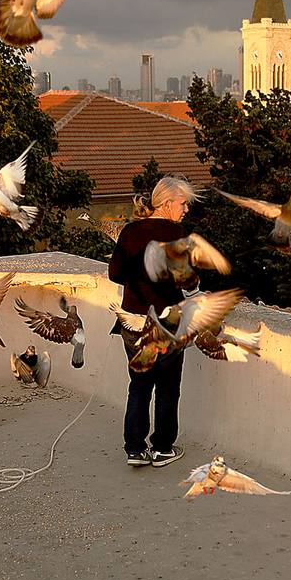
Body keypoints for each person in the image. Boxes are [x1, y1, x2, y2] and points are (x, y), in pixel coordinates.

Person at [107, 176, 200, 469]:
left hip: (132, 322)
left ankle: (134, 449)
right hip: (167, 323)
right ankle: (162, 448)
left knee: (139, 385)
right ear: (169, 203)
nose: (186, 210)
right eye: (183, 204)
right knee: (168, 385)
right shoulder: (176, 233)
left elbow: (115, 273)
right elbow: (188, 278)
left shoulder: (130, 231)